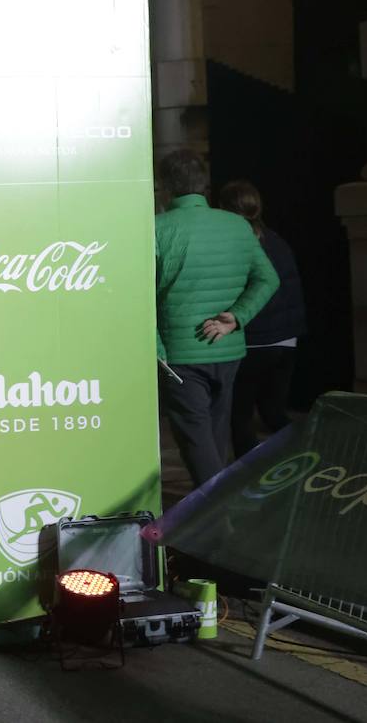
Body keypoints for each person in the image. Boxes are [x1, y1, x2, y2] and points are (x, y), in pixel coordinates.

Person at [155, 149, 279, 486]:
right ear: (204, 187)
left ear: (165, 188)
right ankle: (215, 509)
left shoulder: (156, 229)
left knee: (197, 444)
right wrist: (236, 318)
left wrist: (156, 348)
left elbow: (140, 295)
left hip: (180, 354)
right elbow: (268, 279)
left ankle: (218, 518)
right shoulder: (237, 225)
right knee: (215, 436)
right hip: (228, 349)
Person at [218, 180, 307, 456]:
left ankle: (247, 478)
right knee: (273, 412)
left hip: (255, 342)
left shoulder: (236, 245)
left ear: (223, 209)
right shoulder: (276, 240)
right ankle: (305, 455)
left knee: (240, 416)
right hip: (287, 340)